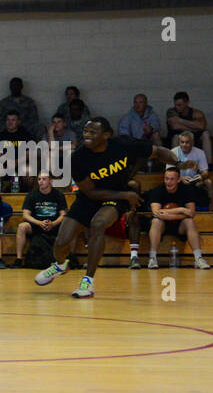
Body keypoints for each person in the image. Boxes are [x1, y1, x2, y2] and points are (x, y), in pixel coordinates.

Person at [34, 118, 182, 297]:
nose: (87, 135)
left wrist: (179, 164)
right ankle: (60, 265)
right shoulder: (77, 158)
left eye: (93, 132)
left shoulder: (123, 144)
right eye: (85, 132)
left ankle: (88, 281)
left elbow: (158, 151)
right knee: (61, 242)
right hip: (91, 197)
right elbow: (91, 192)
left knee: (98, 224)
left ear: (106, 135)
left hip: (116, 197)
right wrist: (126, 195)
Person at [144, 167, 210, 269]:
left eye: (172, 179)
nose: (168, 182)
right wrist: (181, 210)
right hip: (162, 226)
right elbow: (156, 212)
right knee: (156, 221)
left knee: (189, 221)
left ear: (179, 180)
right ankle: (152, 258)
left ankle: (198, 258)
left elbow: (191, 213)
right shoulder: (158, 190)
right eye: (166, 179)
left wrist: (170, 214)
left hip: (180, 226)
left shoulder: (186, 190)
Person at [13, 172, 66, 268]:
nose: (41, 181)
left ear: (50, 180)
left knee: (71, 226)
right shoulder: (32, 195)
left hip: (54, 225)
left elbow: (63, 215)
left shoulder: (59, 195)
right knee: (22, 226)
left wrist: (53, 223)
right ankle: (19, 259)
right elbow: (25, 215)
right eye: (39, 179)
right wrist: (39, 223)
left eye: (44, 179)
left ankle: (69, 258)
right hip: (36, 225)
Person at [166, 91, 212, 164]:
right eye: (176, 105)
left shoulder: (196, 113)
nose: (177, 107)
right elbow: (175, 126)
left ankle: (208, 164)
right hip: (178, 137)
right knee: (176, 137)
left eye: (179, 105)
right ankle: (176, 164)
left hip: (193, 138)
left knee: (205, 134)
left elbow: (202, 126)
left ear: (187, 103)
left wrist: (180, 120)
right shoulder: (171, 111)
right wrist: (194, 127)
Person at [172, 132, 213, 208]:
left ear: (192, 142)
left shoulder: (200, 152)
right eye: (182, 142)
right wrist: (181, 178)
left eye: (187, 142)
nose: (184, 145)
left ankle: (210, 208)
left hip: (194, 180)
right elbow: (168, 172)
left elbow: (205, 172)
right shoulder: (173, 152)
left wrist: (201, 176)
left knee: (208, 182)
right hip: (178, 180)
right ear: (179, 142)